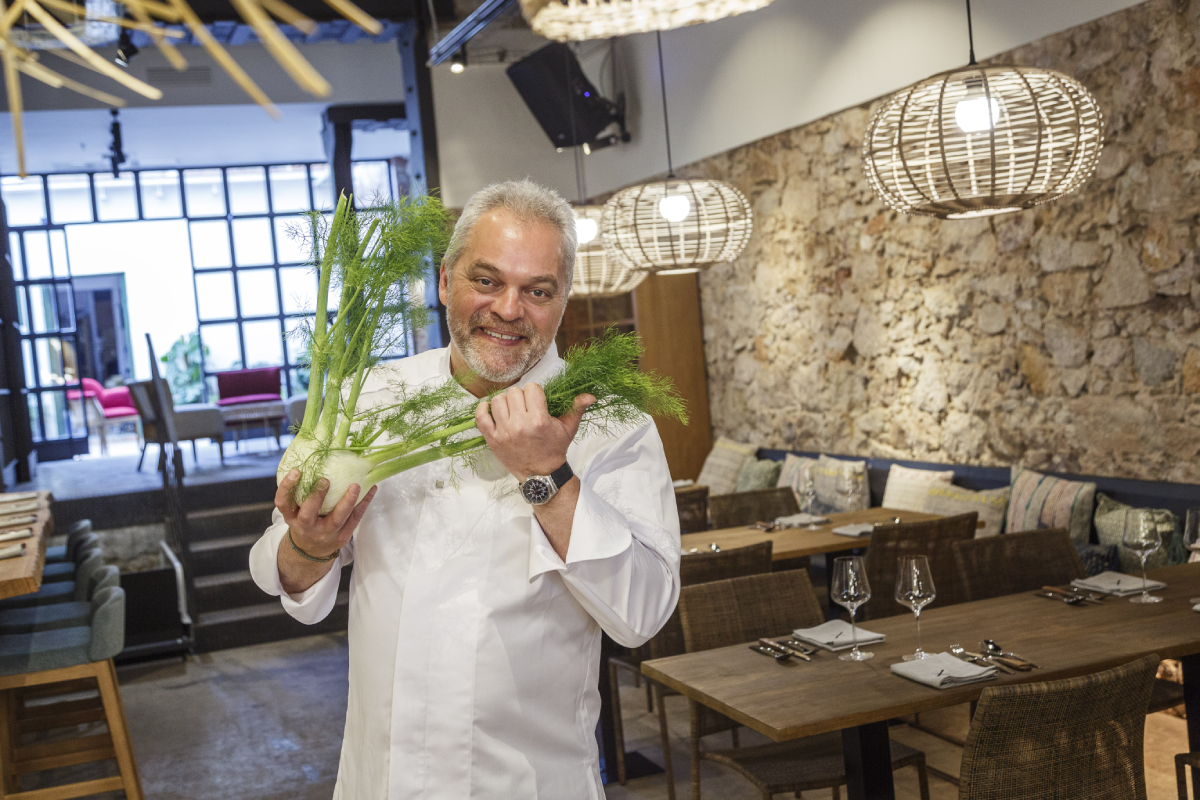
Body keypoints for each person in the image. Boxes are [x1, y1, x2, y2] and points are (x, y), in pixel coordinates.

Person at [249, 179, 681, 799]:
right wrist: (310, 547)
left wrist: (547, 476)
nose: (509, 309)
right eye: (487, 280)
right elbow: (282, 571)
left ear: (563, 302)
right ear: (447, 281)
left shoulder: (612, 423)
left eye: (538, 290)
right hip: (382, 781)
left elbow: (643, 614)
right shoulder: (366, 400)